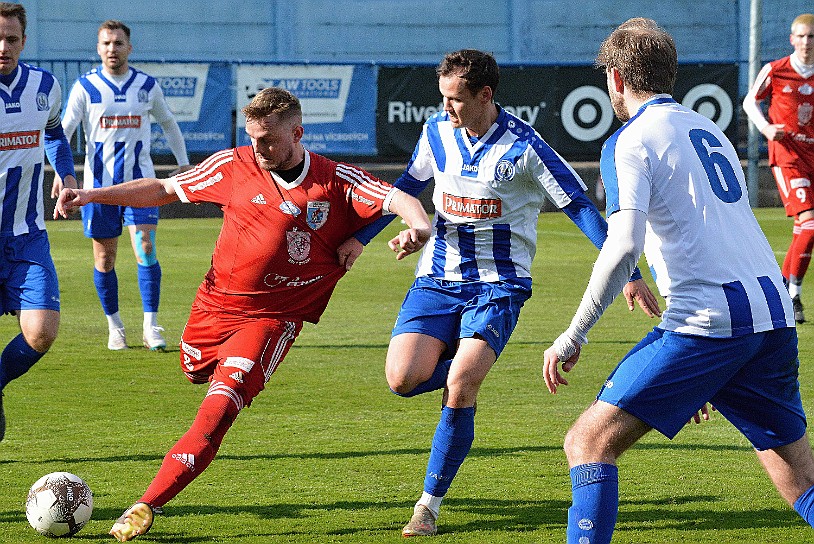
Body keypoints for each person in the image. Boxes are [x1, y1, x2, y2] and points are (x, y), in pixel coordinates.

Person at [54, 86, 431, 541]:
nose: (258, 148)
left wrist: (419, 225)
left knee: (221, 404)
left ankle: (145, 504)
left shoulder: (336, 179)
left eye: (268, 139)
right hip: (214, 311)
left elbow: (398, 199)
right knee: (194, 369)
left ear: (297, 132)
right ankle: (204, 378)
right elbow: (165, 189)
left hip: (274, 319)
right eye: (252, 137)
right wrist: (93, 195)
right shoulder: (235, 164)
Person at [348, 49, 660, 537]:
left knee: (462, 385)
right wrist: (358, 240)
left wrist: (631, 271)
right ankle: (460, 368)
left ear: (485, 95)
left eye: (454, 99)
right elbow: (406, 187)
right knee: (404, 379)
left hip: (499, 286)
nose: (446, 108)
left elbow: (579, 206)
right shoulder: (435, 133)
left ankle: (427, 506)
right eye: (442, 98)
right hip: (437, 280)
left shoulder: (525, 148)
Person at [543, 19, 814, 544]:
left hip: (708, 322)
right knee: (801, 481)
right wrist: (705, 376)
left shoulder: (630, 140)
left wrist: (572, 335)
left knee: (587, 443)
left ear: (617, 80)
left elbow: (623, 244)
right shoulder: (706, 127)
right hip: (771, 315)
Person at [56, 19, 191, 351]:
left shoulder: (146, 85)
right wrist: (61, 173)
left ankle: (151, 326)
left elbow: (169, 123)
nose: (112, 49)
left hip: (141, 186)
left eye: (118, 43)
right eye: (106, 43)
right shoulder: (85, 87)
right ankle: (115, 326)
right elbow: (62, 130)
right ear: (98, 49)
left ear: (129, 47)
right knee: (105, 259)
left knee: (145, 248)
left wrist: (183, 163)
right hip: (97, 190)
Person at [0, 2, 78, 442]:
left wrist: (65, 174)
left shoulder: (44, 86)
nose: (3, 46)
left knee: (42, 332)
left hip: (27, 235)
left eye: (11, 38)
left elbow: (53, 132)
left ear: (24, 41)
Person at [743, 13, 814, 324]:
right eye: (801, 36)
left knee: (804, 227)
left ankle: (784, 291)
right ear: (792, 39)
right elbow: (750, 101)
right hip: (787, 155)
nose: (806, 43)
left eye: (811, 37)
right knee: (811, 224)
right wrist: (767, 129)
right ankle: (794, 295)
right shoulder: (776, 70)